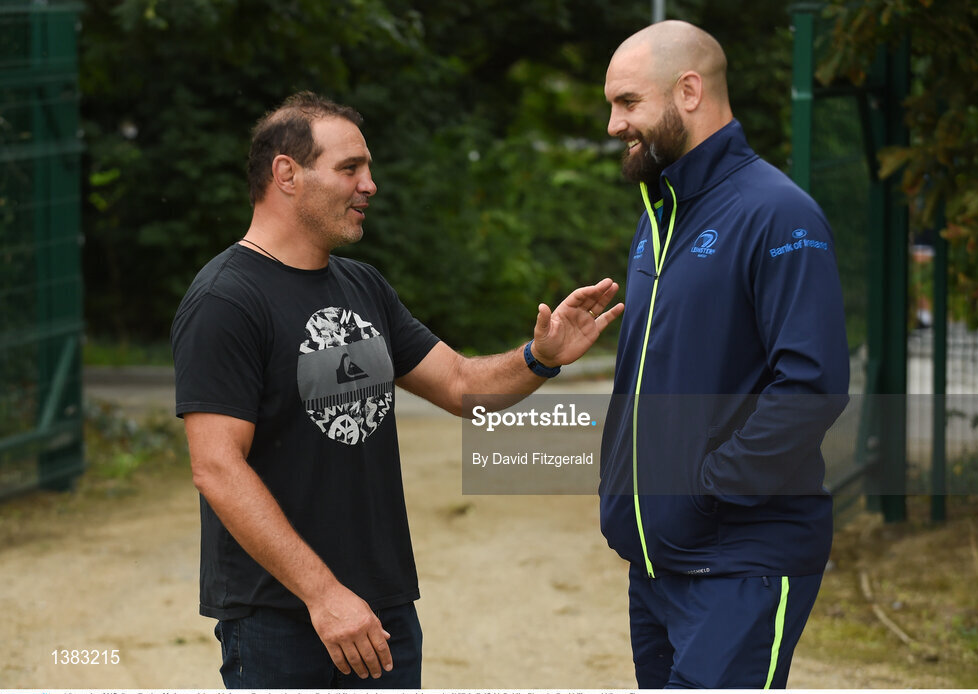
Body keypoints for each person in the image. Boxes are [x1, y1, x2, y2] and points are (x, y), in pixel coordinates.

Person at [171, 91, 623, 689]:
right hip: (283, 617)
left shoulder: (363, 286)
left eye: (369, 168)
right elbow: (217, 468)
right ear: (286, 174)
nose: (370, 185)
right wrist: (324, 594)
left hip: (382, 611)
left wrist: (539, 358)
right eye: (349, 168)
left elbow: (462, 386)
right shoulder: (226, 301)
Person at [598, 21, 849, 688]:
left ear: (688, 90)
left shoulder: (778, 214)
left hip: (741, 561)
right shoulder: (660, 219)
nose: (613, 124)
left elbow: (813, 384)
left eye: (627, 103)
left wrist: (708, 488)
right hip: (657, 566)